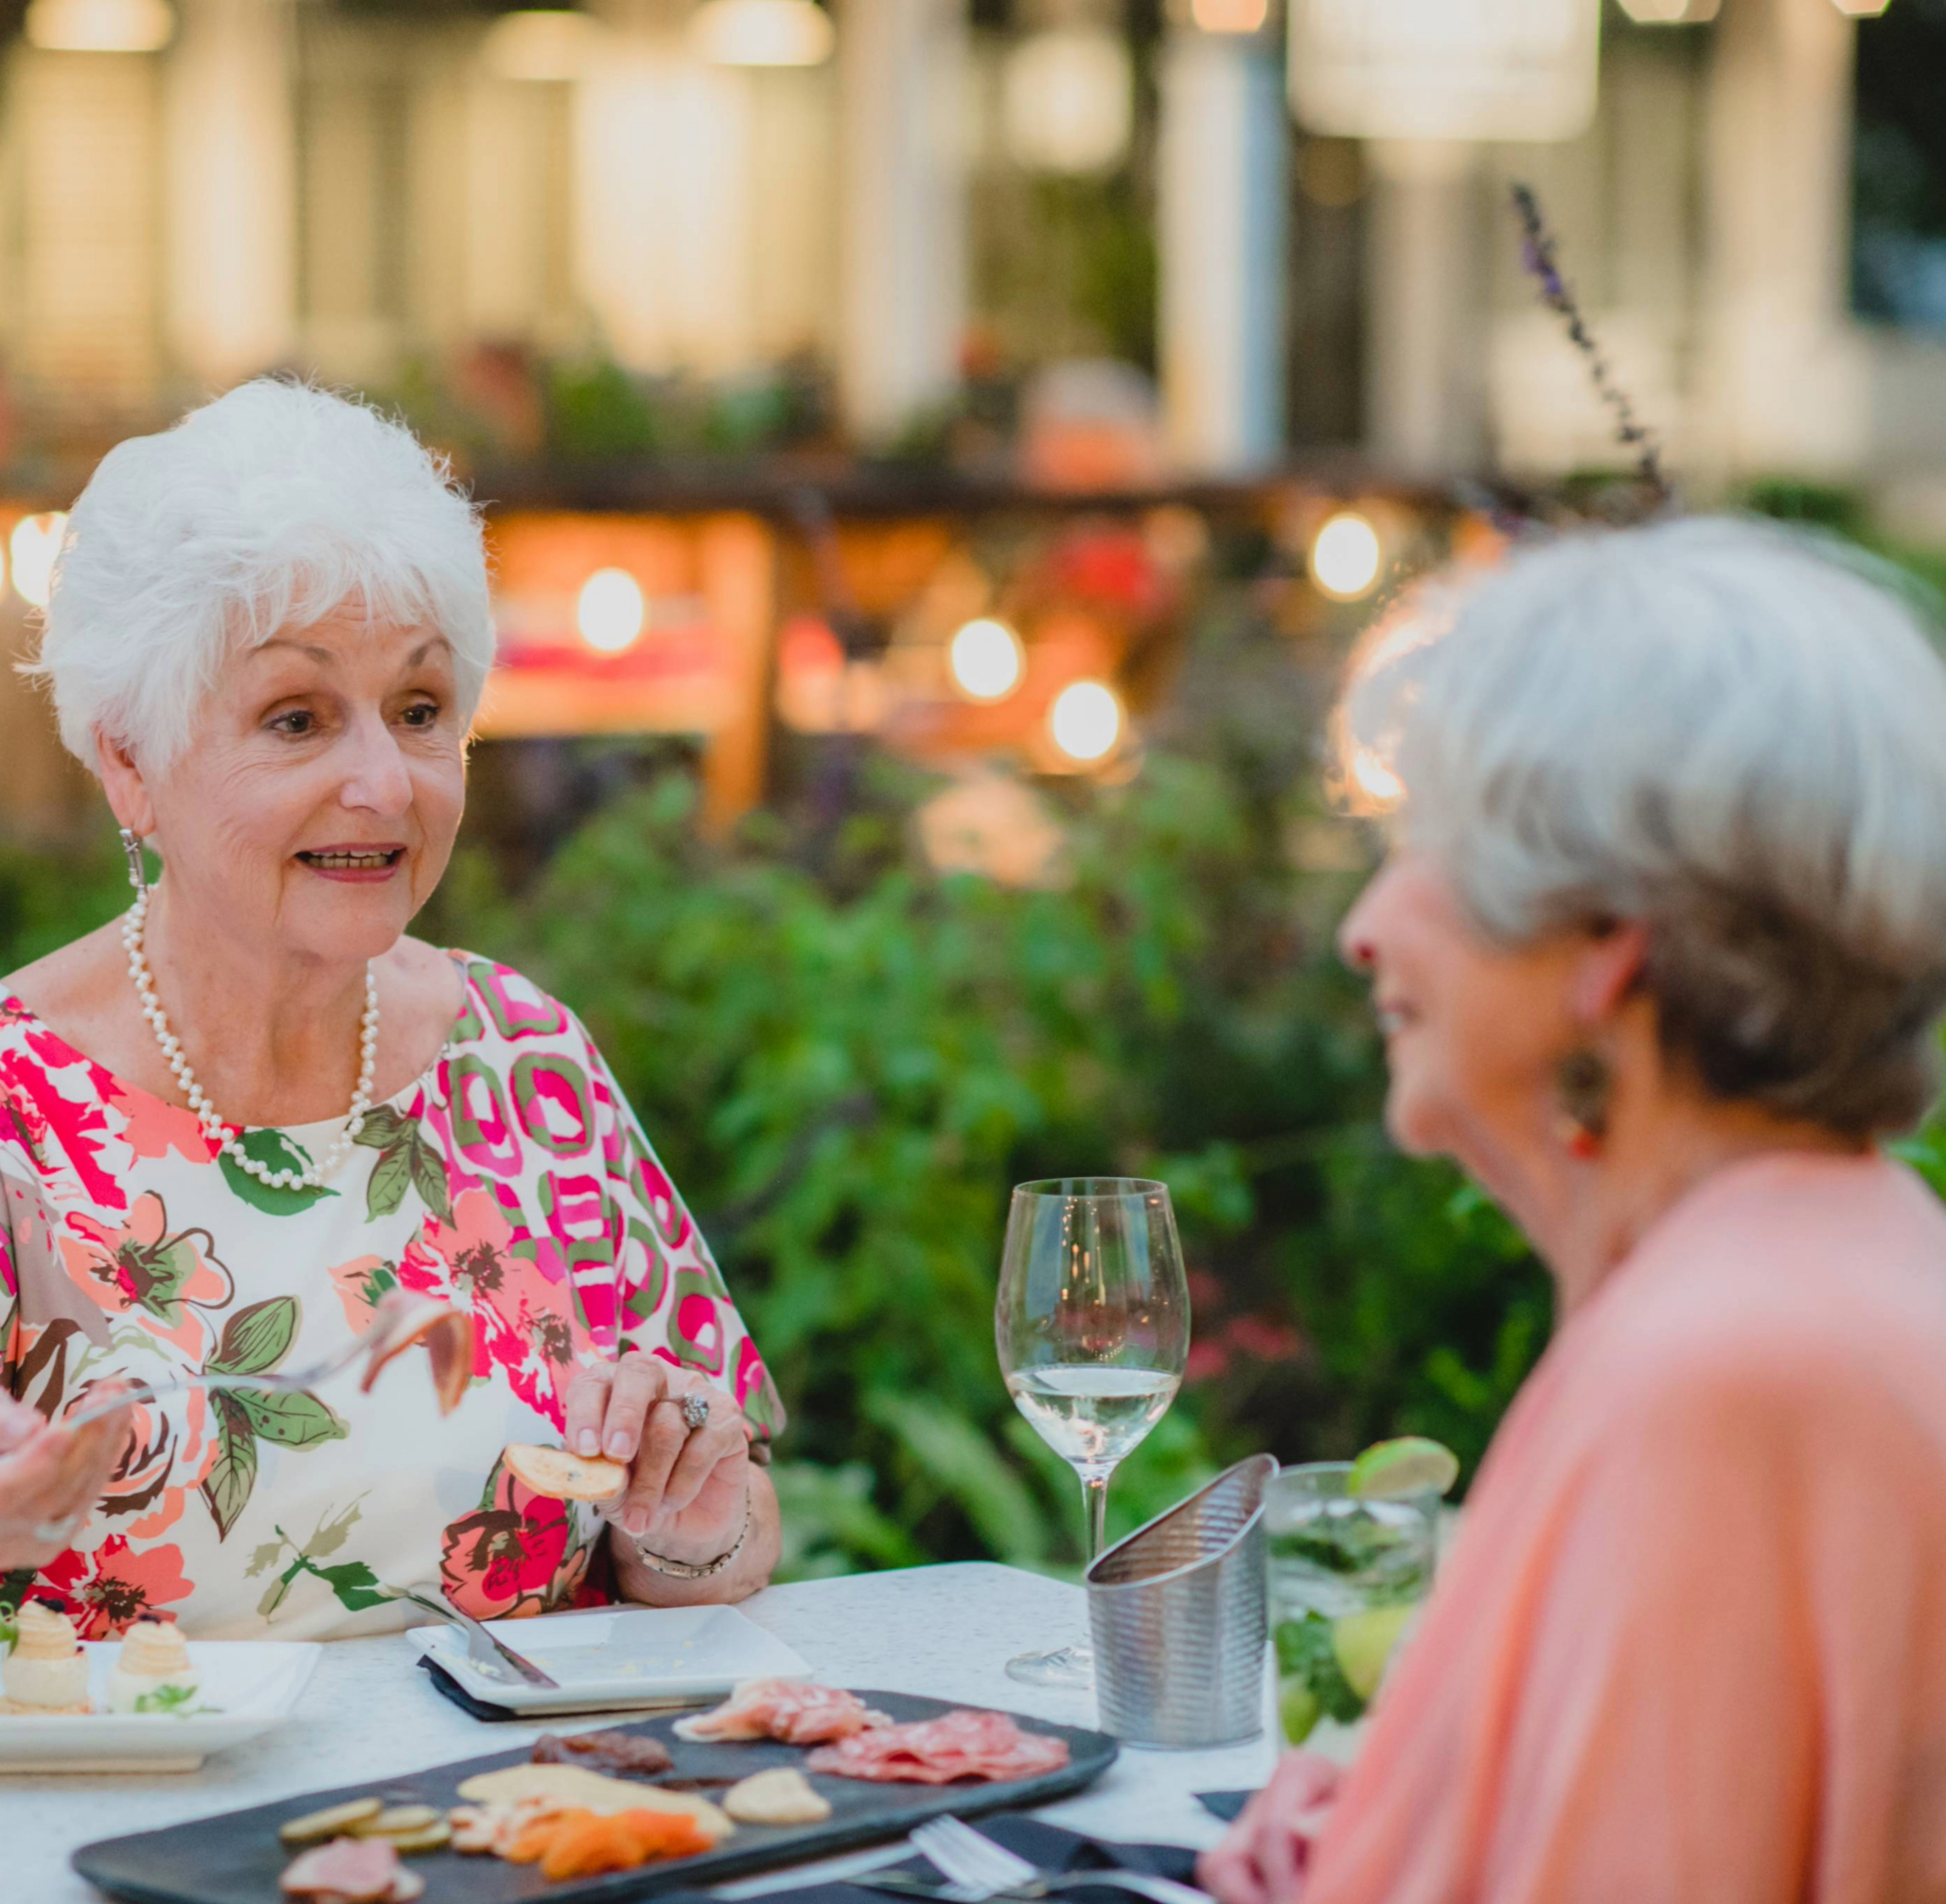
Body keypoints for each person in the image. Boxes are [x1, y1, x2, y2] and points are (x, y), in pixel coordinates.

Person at [1199, 518, 1946, 1904]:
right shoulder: (1828, 1253)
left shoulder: (1728, 1364)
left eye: (1424, 847)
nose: (1366, 927)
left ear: (1607, 944)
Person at [0, 380, 783, 1638]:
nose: (383, 781)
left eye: (419, 712)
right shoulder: (17, 1121)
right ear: (130, 760)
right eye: (297, 719)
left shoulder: (522, 1060)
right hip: (139, 1829)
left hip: (523, 1813)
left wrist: (692, 1525)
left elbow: (730, 1522)